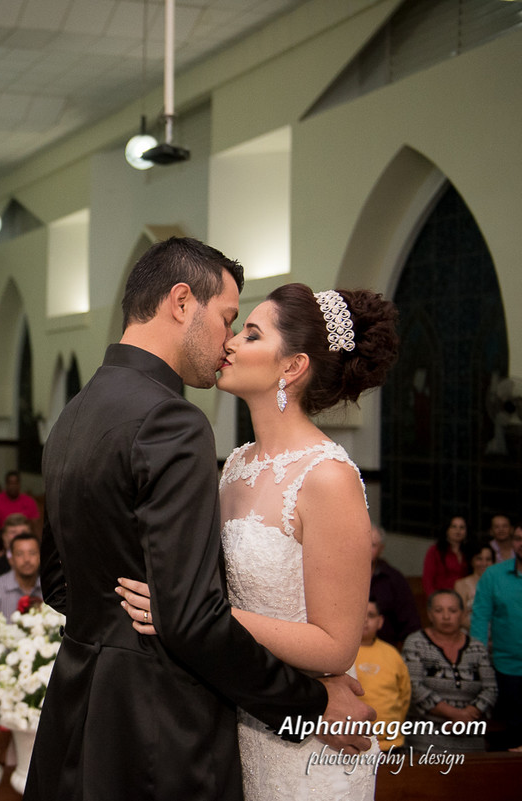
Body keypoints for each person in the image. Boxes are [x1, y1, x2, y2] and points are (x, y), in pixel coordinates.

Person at [35, 239, 378, 801]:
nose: (229, 342)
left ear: (294, 367)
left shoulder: (74, 413)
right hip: (165, 724)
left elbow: (59, 582)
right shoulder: (179, 425)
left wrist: (159, 617)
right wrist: (313, 705)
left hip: (88, 708)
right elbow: (191, 614)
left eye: (248, 331)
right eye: (229, 321)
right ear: (180, 302)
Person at [402, 590, 496, 752]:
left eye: (452, 611)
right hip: (424, 740)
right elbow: (413, 687)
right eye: (439, 611)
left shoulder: (477, 647)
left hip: (471, 738)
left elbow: (491, 689)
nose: (446, 617)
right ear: (430, 614)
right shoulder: (415, 642)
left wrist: (468, 715)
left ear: (463, 614)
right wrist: (455, 715)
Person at [470, 525, 522, 751]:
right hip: (505, 667)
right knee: (509, 735)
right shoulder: (494, 575)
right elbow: (480, 618)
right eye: (519, 538)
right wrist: (479, 662)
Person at [354, 599, 410, 749]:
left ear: (380, 621)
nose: (365, 620)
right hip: (354, 741)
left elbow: (404, 695)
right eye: (360, 615)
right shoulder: (343, 655)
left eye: (371, 615)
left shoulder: (392, 654)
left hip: (392, 743)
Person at [0, 531, 41, 646]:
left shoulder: (52, 589)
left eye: (32, 553)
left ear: (40, 557)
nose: (27, 559)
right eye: (20, 554)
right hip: (4, 660)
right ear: (11, 559)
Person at [369, 525, 422, 646]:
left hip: (384, 650)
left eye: (373, 545)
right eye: (363, 543)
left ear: (381, 549)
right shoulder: (341, 573)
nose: (366, 548)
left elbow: (410, 623)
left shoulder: (393, 578)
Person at [0, 470, 39, 555]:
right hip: (1, 546)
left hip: (25, 546)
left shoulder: (30, 501)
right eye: (10, 483)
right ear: (6, 484)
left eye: (16, 483)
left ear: (19, 484)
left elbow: (36, 530)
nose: (13, 486)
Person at [0, 513, 32, 589]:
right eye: (13, 532)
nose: (19, 536)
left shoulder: (42, 565)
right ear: (4, 537)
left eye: (23, 532)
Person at [423, 516, 472, 596]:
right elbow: (427, 580)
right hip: (441, 597)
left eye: (462, 527)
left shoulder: (469, 552)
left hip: (464, 598)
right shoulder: (435, 550)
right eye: (454, 527)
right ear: (447, 530)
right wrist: (434, 599)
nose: (458, 530)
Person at [455, 543, 495, 631]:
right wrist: (481, 632)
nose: (484, 563)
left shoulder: (500, 585)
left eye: (488, 559)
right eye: (479, 559)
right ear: (472, 561)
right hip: (471, 632)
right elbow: (460, 617)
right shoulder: (461, 584)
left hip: (498, 634)